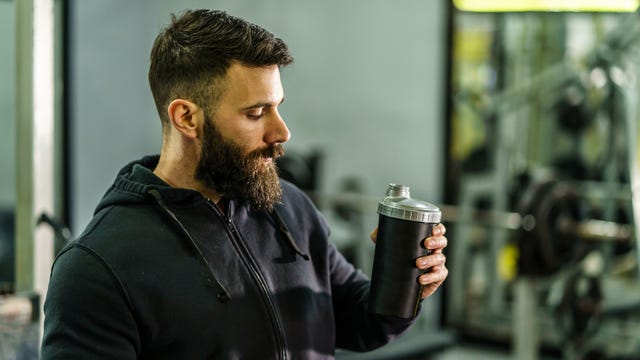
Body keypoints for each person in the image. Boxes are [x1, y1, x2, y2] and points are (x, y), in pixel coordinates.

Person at [41, 9, 448, 359]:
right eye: (257, 113)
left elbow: (360, 321)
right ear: (186, 118)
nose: (282, 132)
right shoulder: (97, 269)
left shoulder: (291, 209)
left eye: (278, 108)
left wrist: (408, 283)